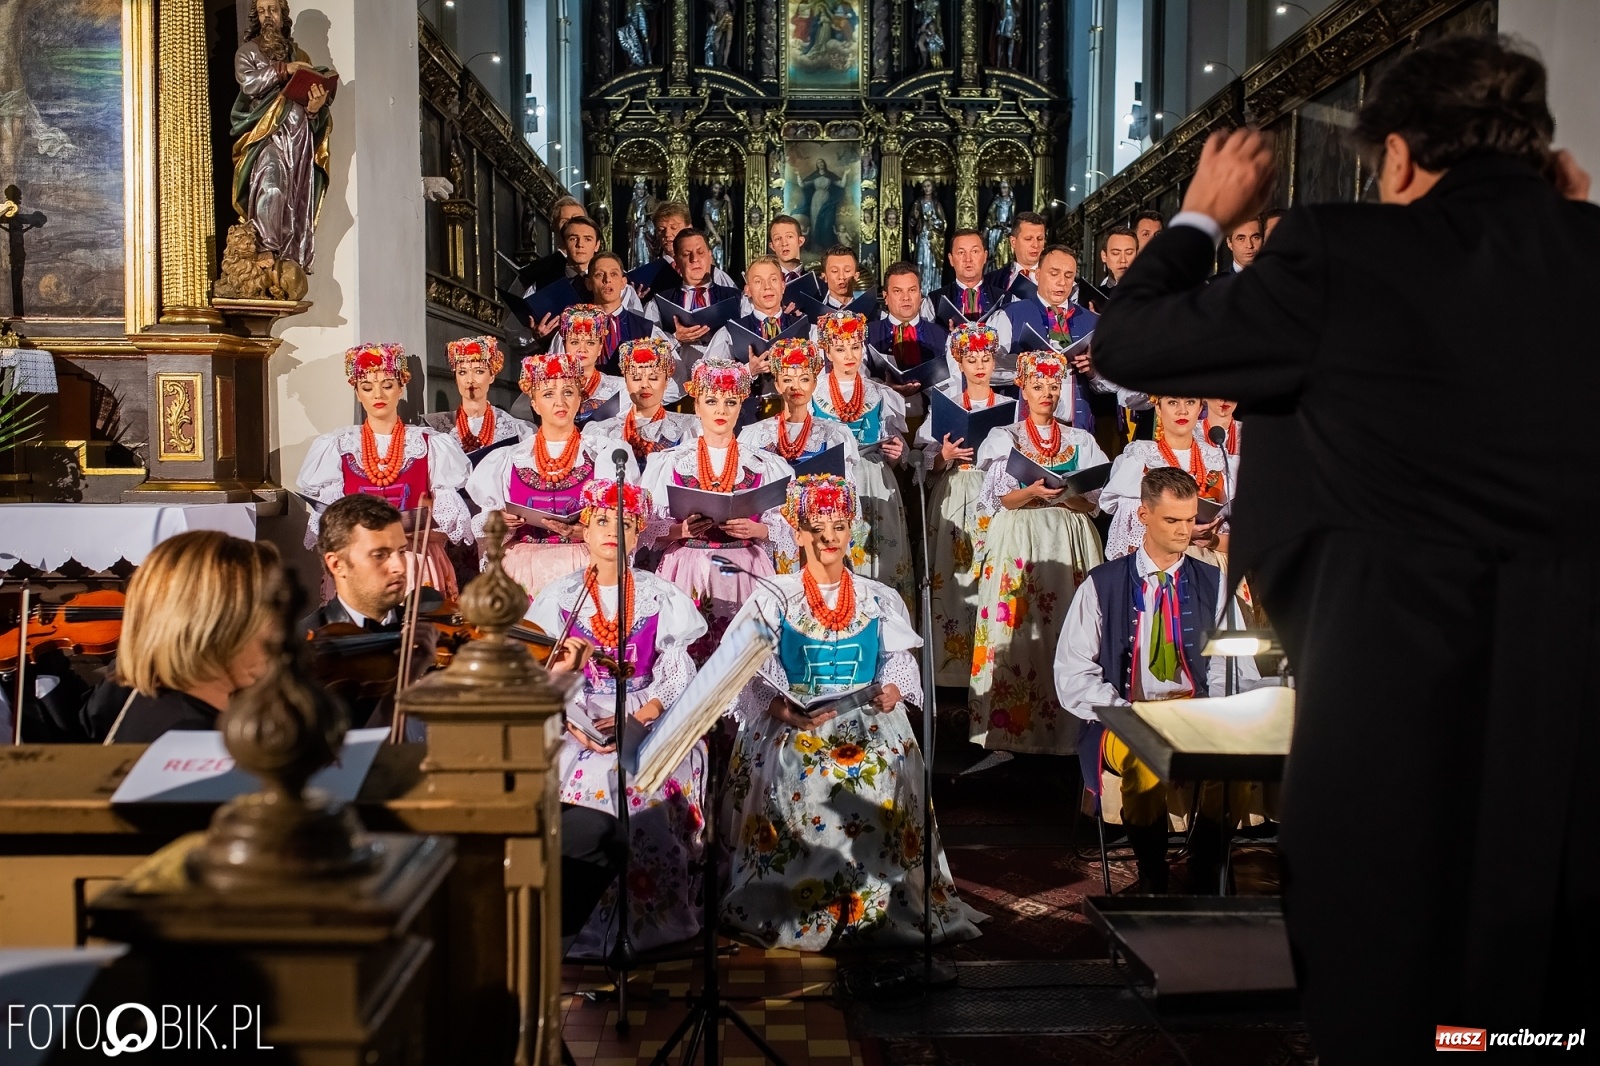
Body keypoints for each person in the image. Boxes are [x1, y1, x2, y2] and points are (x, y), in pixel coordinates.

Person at [1091, 34, 1600, 1055]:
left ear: (1400, 157)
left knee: (1392, 987)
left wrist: (1201, 213)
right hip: (1577, 686)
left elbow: (1130, 343)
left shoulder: (1339, 253)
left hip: (1391, 687)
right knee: (1546, 1006)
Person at [719, 474, 982, 950]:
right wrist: (782, 709)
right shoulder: (774, 595)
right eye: (818, 528)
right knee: (797, 770)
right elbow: (749, 671)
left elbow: (897, 660)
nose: (830, 538)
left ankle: (876, 899)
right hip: (795, 718)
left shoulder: (878, 597)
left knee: (880, 771)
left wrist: (894, 691)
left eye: (839, 526)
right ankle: (795, 898)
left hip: (864, 713)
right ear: (797, 535)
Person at [525, 479, 710, 956]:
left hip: (647, 714)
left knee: (641, 782)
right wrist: (575, 722)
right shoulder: (558, 599)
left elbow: (675, 677)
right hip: (581, 720)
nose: (613, 532)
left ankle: (653, 918)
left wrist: (642, 717)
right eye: (602, 521)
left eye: (625, 523)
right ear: (584, 529)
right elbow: (548, 676)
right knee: (585, 779)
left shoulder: (661, 596)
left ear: (639, 531)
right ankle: (577, 920)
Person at [1055, 467, 1258, 892]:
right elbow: (1074, 672)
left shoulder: (1214, 581)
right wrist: (1129, 717)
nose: (1185, 531)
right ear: (1144, 515)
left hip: (1196, 709)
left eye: (1189, 519)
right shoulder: (1102, 583)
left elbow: (1233, 665)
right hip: (1126, 715)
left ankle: (1208, 866)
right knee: (1144, 758)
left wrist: (1216, 712)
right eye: (1172, 520)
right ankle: (1153, 873)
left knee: (1235, 760)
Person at [967, 352, 1107, 755]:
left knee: (1068, 627)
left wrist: (1067, 495)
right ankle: (1011, 733)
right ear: (1023, 389)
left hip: (1068, 537)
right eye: (1038, 386)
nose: (1046, 393)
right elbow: (1000, 499)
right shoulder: (1004, 437)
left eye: (1053, 386)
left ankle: (1070, 732)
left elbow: (1093, 503)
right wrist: (1031, 491)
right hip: (1019, 540)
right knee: (1017, 625)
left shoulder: (1081, 440)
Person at [640, 358, 795, 656]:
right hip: (688, 568)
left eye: (730, 401)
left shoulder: (766, 464)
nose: (721, 410)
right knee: (686, 653)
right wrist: (679, 529)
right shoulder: (670, 461)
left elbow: (788, 526)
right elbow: (645, 526)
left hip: (745, 567)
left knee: (741, 659)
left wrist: (758, 529)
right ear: (697, 407)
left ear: (741, 406)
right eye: (711, 401)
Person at [296, 343, 473, 599]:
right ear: (357, 393)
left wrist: (418, 532)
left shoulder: (429, 445)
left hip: (414, 562)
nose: (378, 394)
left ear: (401, 389)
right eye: (367, 387)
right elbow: (328, 528)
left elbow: (450, 527)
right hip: (360, 563)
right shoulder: (337, 446)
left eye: (388, 386)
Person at [466, 353, 637, 598]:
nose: (560, 403)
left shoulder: (603, 454)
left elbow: (624, 523)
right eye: (548, 394)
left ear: (580, 398)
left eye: (568, 393)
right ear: (534, 403)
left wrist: (588, 532)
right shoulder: (509, 459)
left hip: (582, 564)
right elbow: (484, 525)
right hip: (524, 567)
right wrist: (500, 522)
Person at [89, 532, 279, 743]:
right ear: (217, 626)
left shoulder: (161, 702)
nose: (282, 630)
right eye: (272, 612)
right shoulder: (194, 739)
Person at [914, 323, 1008, 687]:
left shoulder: (1009, 406)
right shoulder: (945, 405)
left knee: (990, 574)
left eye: (986, 358)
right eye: (972, 359)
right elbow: (922, 461)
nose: (980, 365)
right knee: (953, 577)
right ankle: (949, 674)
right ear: (960, 362)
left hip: (992, 492)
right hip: (954, 490)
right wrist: (945, 455)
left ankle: (990, 669)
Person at [812, 311, 913, 607]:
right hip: (833, 484)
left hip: (875, 481)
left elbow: (896, 452)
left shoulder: (881, 394)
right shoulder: (813, 392)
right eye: (840, 348)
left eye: (854, 347)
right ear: (827, 351)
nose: (849, 355)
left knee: (883, 559)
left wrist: (895, 455)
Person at [737, 338, 861, 572]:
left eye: (804, 379)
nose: (796, 387)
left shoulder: (835, 434)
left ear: (815, 383)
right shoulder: (754, 435)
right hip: (769, 538)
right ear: (777, 385)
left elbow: (850, 494)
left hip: (819, 534)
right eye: (787, 380)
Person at [1099, 396, 1227, 561]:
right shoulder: (1141, 459)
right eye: (1173, 402)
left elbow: (1237, 536)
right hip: (1158, 565)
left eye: (1190, 402)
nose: (1183, 411)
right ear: (1158, 409)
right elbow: (1128, 536)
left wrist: (1211, 539)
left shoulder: (1216, 460)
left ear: (1200, 408)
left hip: (1208, 565)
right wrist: (1184, 531)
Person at [993, 245, 1099, 429]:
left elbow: (1113, 385)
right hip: (1023, 426)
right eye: (1054, 273)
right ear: (1038, 274)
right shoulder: (1010, 315)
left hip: (1075, 427)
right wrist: (1025, 365)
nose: (1062, 282)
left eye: (1068, 275)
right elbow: (986, 370)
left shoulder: (1092, 322)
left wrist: (1093, 371)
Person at [585, 338, 701, 464]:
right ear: (626, 382)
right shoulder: (603, 431)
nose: (644, 385)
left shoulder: (688, 428)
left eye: (653, 378)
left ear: (666, 382)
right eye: (636, 378)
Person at [564, 251, 670, 375]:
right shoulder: (570, 328)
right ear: (588, 283)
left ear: (623, 282)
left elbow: (670, 377)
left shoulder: (646, 329)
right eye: (599, 275)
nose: (607, 280)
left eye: (614, 274)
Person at [422, 336, 532, 453]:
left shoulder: (516, 429)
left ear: (491, 376)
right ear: (455, 378)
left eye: (479, 371)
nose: (470, 380)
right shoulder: (434, 427)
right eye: (462, 372)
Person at [664, 228, 741, 389]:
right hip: (677, 389)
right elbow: (650, 349)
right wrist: (675, 338)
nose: (694, 259)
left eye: (700, 252)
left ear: (710, 255)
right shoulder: (660, 302)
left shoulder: (736, 298)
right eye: (686, 254)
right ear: (676, 261)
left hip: (724, 387)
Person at [868, 261, 947, 417]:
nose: (906, 298)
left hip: (929, 422)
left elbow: (953, 386)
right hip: (881, 419)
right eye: (897, 291)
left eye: (912, 290)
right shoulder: (867, 333)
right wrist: (885, 387)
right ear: (886, 296)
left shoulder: (942, 336)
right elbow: (857, 380)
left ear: (920, 294)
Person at [550, 305, 630, 424]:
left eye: (590, 343)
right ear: (564, 344)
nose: (582, 349)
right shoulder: (547, 385)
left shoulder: (620, 388)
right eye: (574, 342)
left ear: (600, 347)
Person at [925, 228, 1001, 326]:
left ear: (985, 256)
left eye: (974, 251)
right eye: (961, 252)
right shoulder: (932, 302)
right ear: (951, 259)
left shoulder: (1007, 300)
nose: (968, 259)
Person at [654, 201, 738, 288]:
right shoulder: (649, 275)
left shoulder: (714, 275)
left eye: (674, 228)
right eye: (661, 229)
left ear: (688, 228)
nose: (667, 234)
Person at [984, 210, 1047, 294]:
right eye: (1028, 239)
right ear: (1013, 242)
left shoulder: (1058, 280)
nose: (1035, 245)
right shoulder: (990, 281)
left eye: (1040, 239)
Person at [817, 245, 863, 311]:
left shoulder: (870, 313)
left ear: (856, 276)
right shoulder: (815, 313)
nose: (841, 277)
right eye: (834, 271)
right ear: (824, 277)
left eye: (847, 270)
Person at [768, 214, 807, 282]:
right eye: (778, 238)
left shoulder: (817, 285)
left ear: (800, 241)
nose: (784, 243)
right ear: (772, 246)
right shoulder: (764, 285)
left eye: (789, 236)